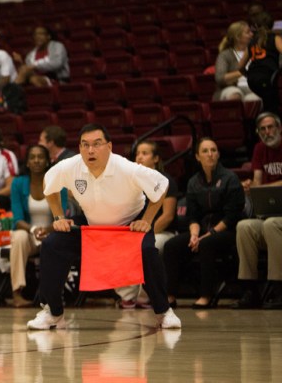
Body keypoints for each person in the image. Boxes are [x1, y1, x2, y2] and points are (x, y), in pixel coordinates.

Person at [26, 123, 181, 330]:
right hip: (93, 228)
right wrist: (58, 216)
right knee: (52, 245)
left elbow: (161, 185)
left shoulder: (126, 167)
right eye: (85, 145)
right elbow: (48, 183)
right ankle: (52, 313)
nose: (91, 150)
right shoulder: (71, 166)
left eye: (97, 144)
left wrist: (147, 220)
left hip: (129, 227)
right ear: (79, 148)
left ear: (109, 146)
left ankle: (163, 311)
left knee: (147, 252)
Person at [162, 137, 245, 309]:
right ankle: (169, 295)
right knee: (171, 246)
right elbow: (193, 216)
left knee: (206, 243)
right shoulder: (194, 182)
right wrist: (193, 235)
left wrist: (208, 234)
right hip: (201, 229)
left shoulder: (230, 178)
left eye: (213, 150)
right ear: (198, 157)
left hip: (227, 230)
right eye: (205, 151)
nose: (210, 154)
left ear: (218, 154)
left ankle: (206, 295)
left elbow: (231, 216)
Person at [115, 140, 179, 309]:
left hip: (163, 231)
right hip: (137, 231)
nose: (140, 157)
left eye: (145, 153)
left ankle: (147, 296)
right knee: (118, 243)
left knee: (150, 245)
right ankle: (127, 297)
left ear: (156, 158)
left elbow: (168, 216)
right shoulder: (131, 182)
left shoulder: (166, 181)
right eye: (137, 154)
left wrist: (145, 234)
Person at [9, 144, 68, 308]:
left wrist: (47, 230)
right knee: (18, 236)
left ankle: (54, 295)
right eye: (32, 157)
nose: (36, 161)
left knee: (57, 239)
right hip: (29, 234)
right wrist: (34, 230)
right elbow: (17, 219)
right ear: (27, 162)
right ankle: (17, 293)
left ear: (48, 161)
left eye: (40, 157)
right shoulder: (18, 183)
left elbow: (61, 217)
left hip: (52, 233)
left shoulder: (57, 183)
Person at [234, 112, 282, 309]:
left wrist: (260, 189)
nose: (267, 132)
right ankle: (250, 288)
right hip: (271, 214)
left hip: (276, 222)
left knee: (271, 225)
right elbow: (258, 180)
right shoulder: (259, 149)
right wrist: (250, 186)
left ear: (279, 128)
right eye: (262, 129)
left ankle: (278, 288)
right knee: (244, 226)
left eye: (270, 127)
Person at [238, 11, 282, 114]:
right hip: (267, 78)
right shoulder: (274, 38)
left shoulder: (252, 42)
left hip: (252, 80)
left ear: (256, 26)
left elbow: (240, 66)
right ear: (272, 24)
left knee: (266, 105)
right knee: (272, 108)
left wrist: (248, 74)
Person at [213, 20, 261, 102]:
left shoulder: (257, 52)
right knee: (235, 94)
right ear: (237, 37)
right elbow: (220, 79)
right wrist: (242, 72)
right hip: (231, 88)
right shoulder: (225, 55)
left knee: (254, 99)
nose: (252, 34)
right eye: (248, 32)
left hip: (252, 88)